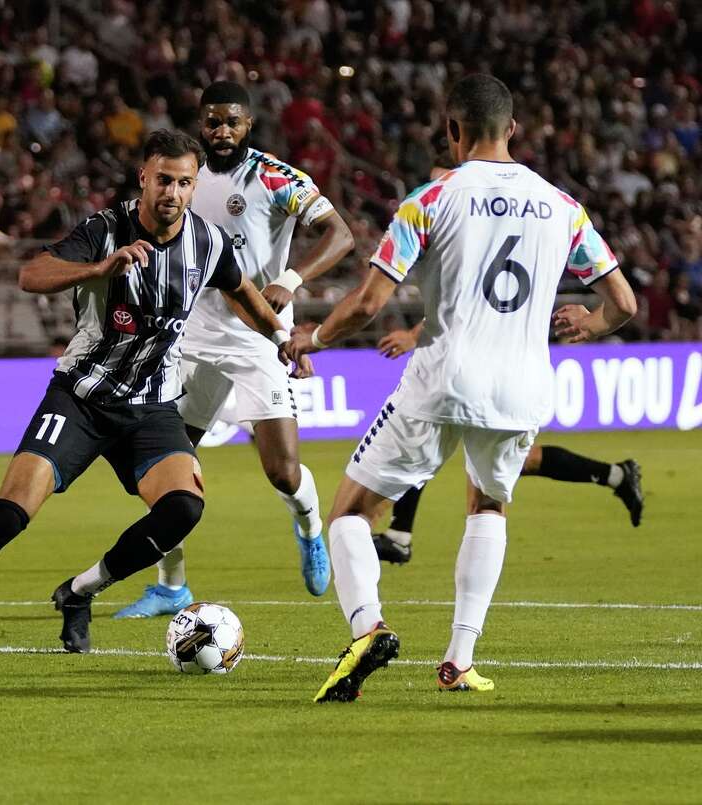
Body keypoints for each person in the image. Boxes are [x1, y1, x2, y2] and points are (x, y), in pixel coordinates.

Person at [0, 129, 311, 658]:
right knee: (9, 515)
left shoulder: (208, 241)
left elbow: (242, 291)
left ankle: (80, 591)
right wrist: (98, 269)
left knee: (183, 508)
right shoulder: (104, 230)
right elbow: (31, 274)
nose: (172, 193)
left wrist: (280, 338)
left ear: (194, 186)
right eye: (163, 180)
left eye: (183, 182)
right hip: (80, 398)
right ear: (143, 179)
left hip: (150, 408)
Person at [290, 74, 637, 702]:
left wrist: (312, 339)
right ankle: (459, 658)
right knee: (488, 506)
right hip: (522, 386)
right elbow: (622, 302)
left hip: (443, 378)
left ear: (452, 131)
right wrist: (591, 322)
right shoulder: (563, 206)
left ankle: (368, 628)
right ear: (513, 130)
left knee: (349, 512)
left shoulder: (430, 199)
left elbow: (369, 302)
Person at [115, 81, 355, 619]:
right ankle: (171, 585)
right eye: (213, 121)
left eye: (233, 122)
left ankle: (310, 528)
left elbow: (340, 235)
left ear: (249, 125)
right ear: (201, 124)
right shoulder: (186, 177)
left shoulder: (276, 177)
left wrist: (290, 279)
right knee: (164, 467)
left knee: (283, 472)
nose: (222, 131)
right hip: (191, 336)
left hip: (258, 335)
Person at [372, 320, 643, 563]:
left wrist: (414, 335)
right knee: (517, 462)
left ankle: (399, 536)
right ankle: (618, 475)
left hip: (490, 373)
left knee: (428, 434)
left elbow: (455, 303)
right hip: (507, 374)